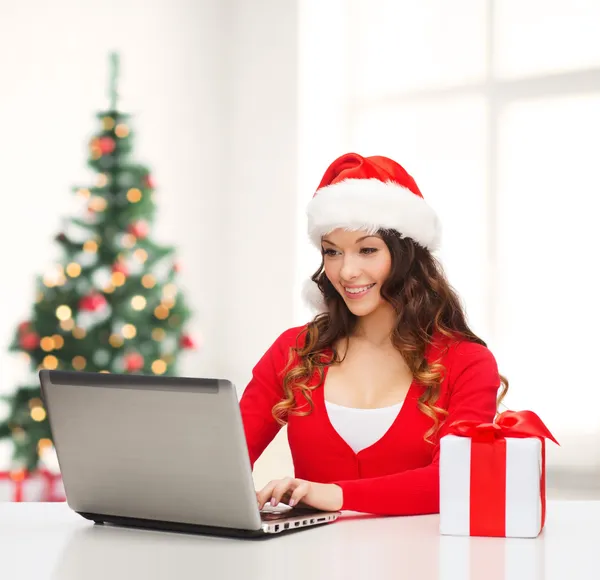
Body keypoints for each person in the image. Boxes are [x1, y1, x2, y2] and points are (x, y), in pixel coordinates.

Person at [239, 152, 508, 516]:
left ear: (407, 256)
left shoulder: (467, 362)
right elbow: (226, 460)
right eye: (332, 252)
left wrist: (334, 495)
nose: (346, 270)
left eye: (367, 250)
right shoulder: (294, 349)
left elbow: (458, 480)